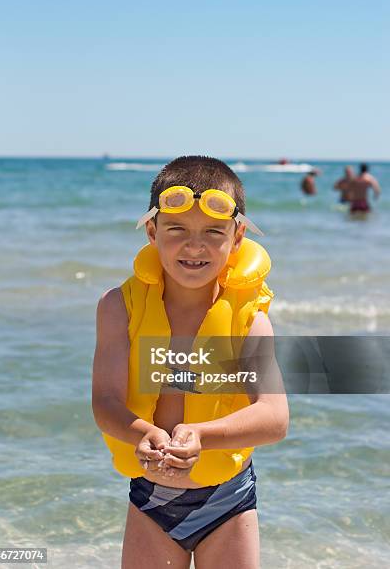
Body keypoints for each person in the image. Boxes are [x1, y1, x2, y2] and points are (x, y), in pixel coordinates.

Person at [92, 156, 289, 568]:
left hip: (227, 499)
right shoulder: (119, 308)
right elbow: (106, 402)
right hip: (151, 498)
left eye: (212, 232)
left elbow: (273, 418)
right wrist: (142, 431)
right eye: (177, 229)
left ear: (237, 238)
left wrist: (201, 435)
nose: (194, 246)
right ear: (152, 231)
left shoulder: (249, 319)